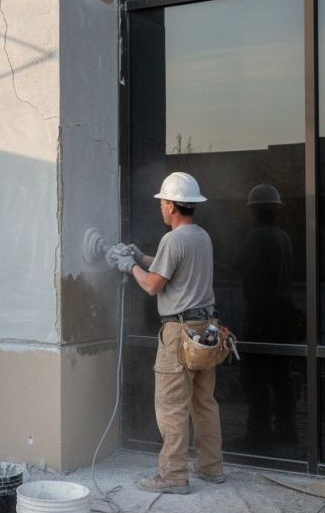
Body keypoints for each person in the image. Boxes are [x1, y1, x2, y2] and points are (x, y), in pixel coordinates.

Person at [115, 171, 224, 494]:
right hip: (206, 331)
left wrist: (129, 266)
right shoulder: (200, 236)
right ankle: (211, 467)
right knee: (204, 402)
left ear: (173, 206)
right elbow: (172, 268)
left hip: (179, 334)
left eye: (163, 202)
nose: (161, 208)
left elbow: (152, 285)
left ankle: (174, 476)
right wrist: (140, 256)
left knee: (172, 406)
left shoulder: (173, 240)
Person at [236, 184, 300, 448]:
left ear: (257, 211)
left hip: (262, 314)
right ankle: (287, 431)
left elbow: (238, 268)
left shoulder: (257, 237)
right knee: (280, 376)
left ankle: (258, 434)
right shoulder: (283, 237)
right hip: (283, 314)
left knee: (254, 377)